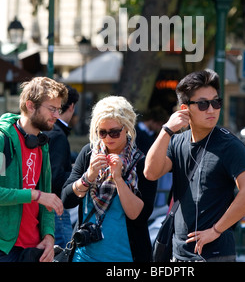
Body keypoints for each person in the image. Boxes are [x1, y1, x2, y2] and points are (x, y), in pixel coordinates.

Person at [144, 69, 245, 262]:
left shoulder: (230, 145)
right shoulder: (177, 141)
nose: (212, 109)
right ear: (184, 109)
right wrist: (166, 131)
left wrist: (216, 230)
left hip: (215, 254)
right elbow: (150, 172)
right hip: (178, 252)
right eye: (203, 104)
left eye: (216, 102)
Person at [61, 95, 157, 262]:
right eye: (102, 132)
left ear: (126, 128)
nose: (107, 138)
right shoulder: (89, 154)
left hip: (126, 257)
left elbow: (139, 216)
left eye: (114, 132)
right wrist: (88, 176)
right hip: (83, 256)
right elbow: (67, 200)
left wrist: (118, 179)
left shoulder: (141, 162)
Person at [0, 76, 67, 262]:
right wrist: (34, 195)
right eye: (52, 109)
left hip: (35, 249)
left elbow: (47, 197)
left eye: (58, 109)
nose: (57, 115)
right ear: (30, 105)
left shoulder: (41, 144)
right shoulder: (2, 140)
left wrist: (48, 236)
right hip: (5, 250)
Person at [46, 84, 79, 247]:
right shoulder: (57, 134)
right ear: (71, 107)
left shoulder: (48, 131)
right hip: (55, 206)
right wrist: (78, 175)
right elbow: (55, 176)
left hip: (45, 204)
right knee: (62, 251)